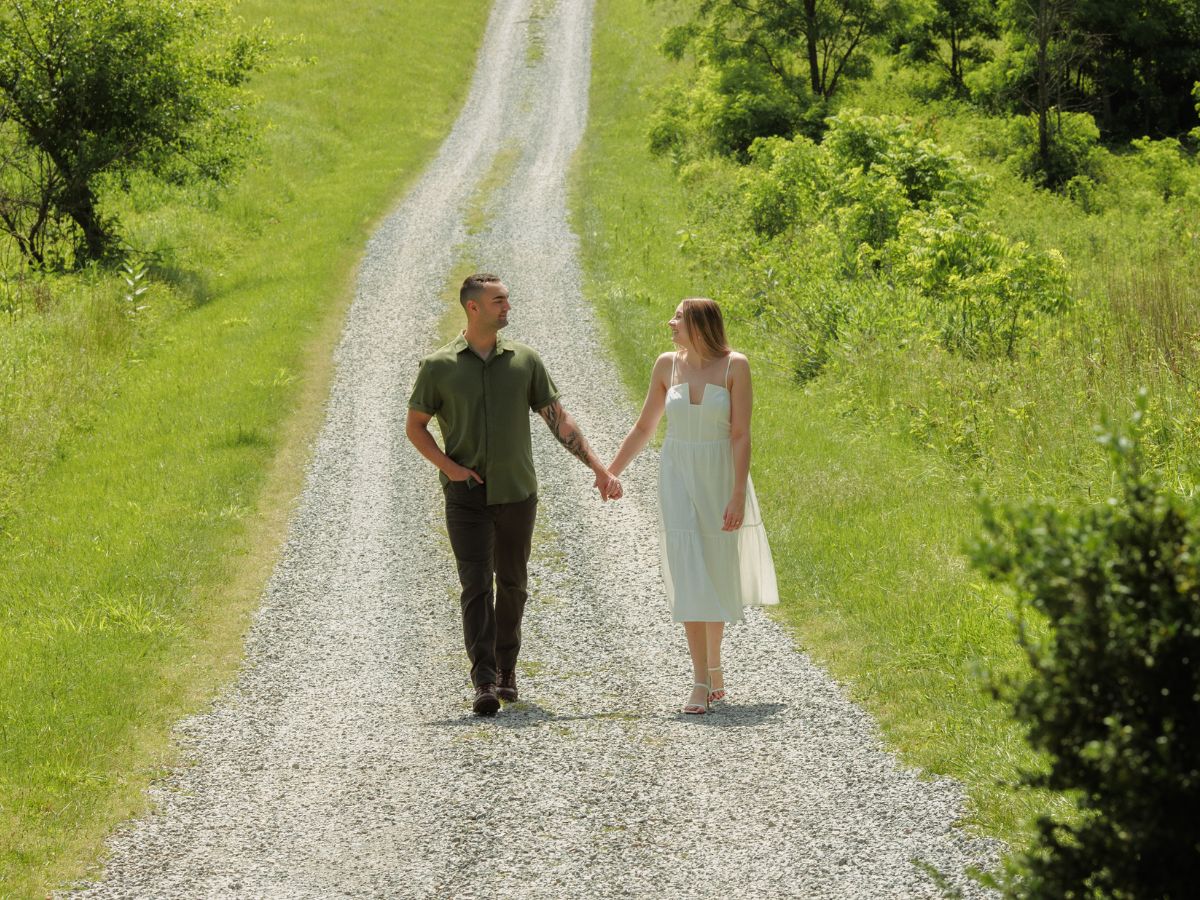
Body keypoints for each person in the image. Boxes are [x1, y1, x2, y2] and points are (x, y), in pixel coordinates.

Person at [406, 273, 620, 716]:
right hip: (466, 496)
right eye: (499, 301)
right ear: (473, 308)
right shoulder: (438, 366)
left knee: (514, 584)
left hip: (518, 494)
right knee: (475, 585)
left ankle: (507, 670)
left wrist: (599, 468)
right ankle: (483, 680)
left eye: (507, 300)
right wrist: (450, 467)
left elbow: (558, 421)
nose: (507, 307)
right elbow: (415, 426)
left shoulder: (525, 361)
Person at [607, 298, 778, 714]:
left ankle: (714, 669)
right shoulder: (667, 365)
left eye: (678, 317)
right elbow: (645, 425)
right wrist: (611, 472)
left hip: (720, 476)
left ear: (700, 324)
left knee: (715, 571)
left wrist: (738, 492)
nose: (671, 323)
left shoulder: (736, 365)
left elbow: (741, 434)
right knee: (688, 571)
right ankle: (699, 680)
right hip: (678, 474)